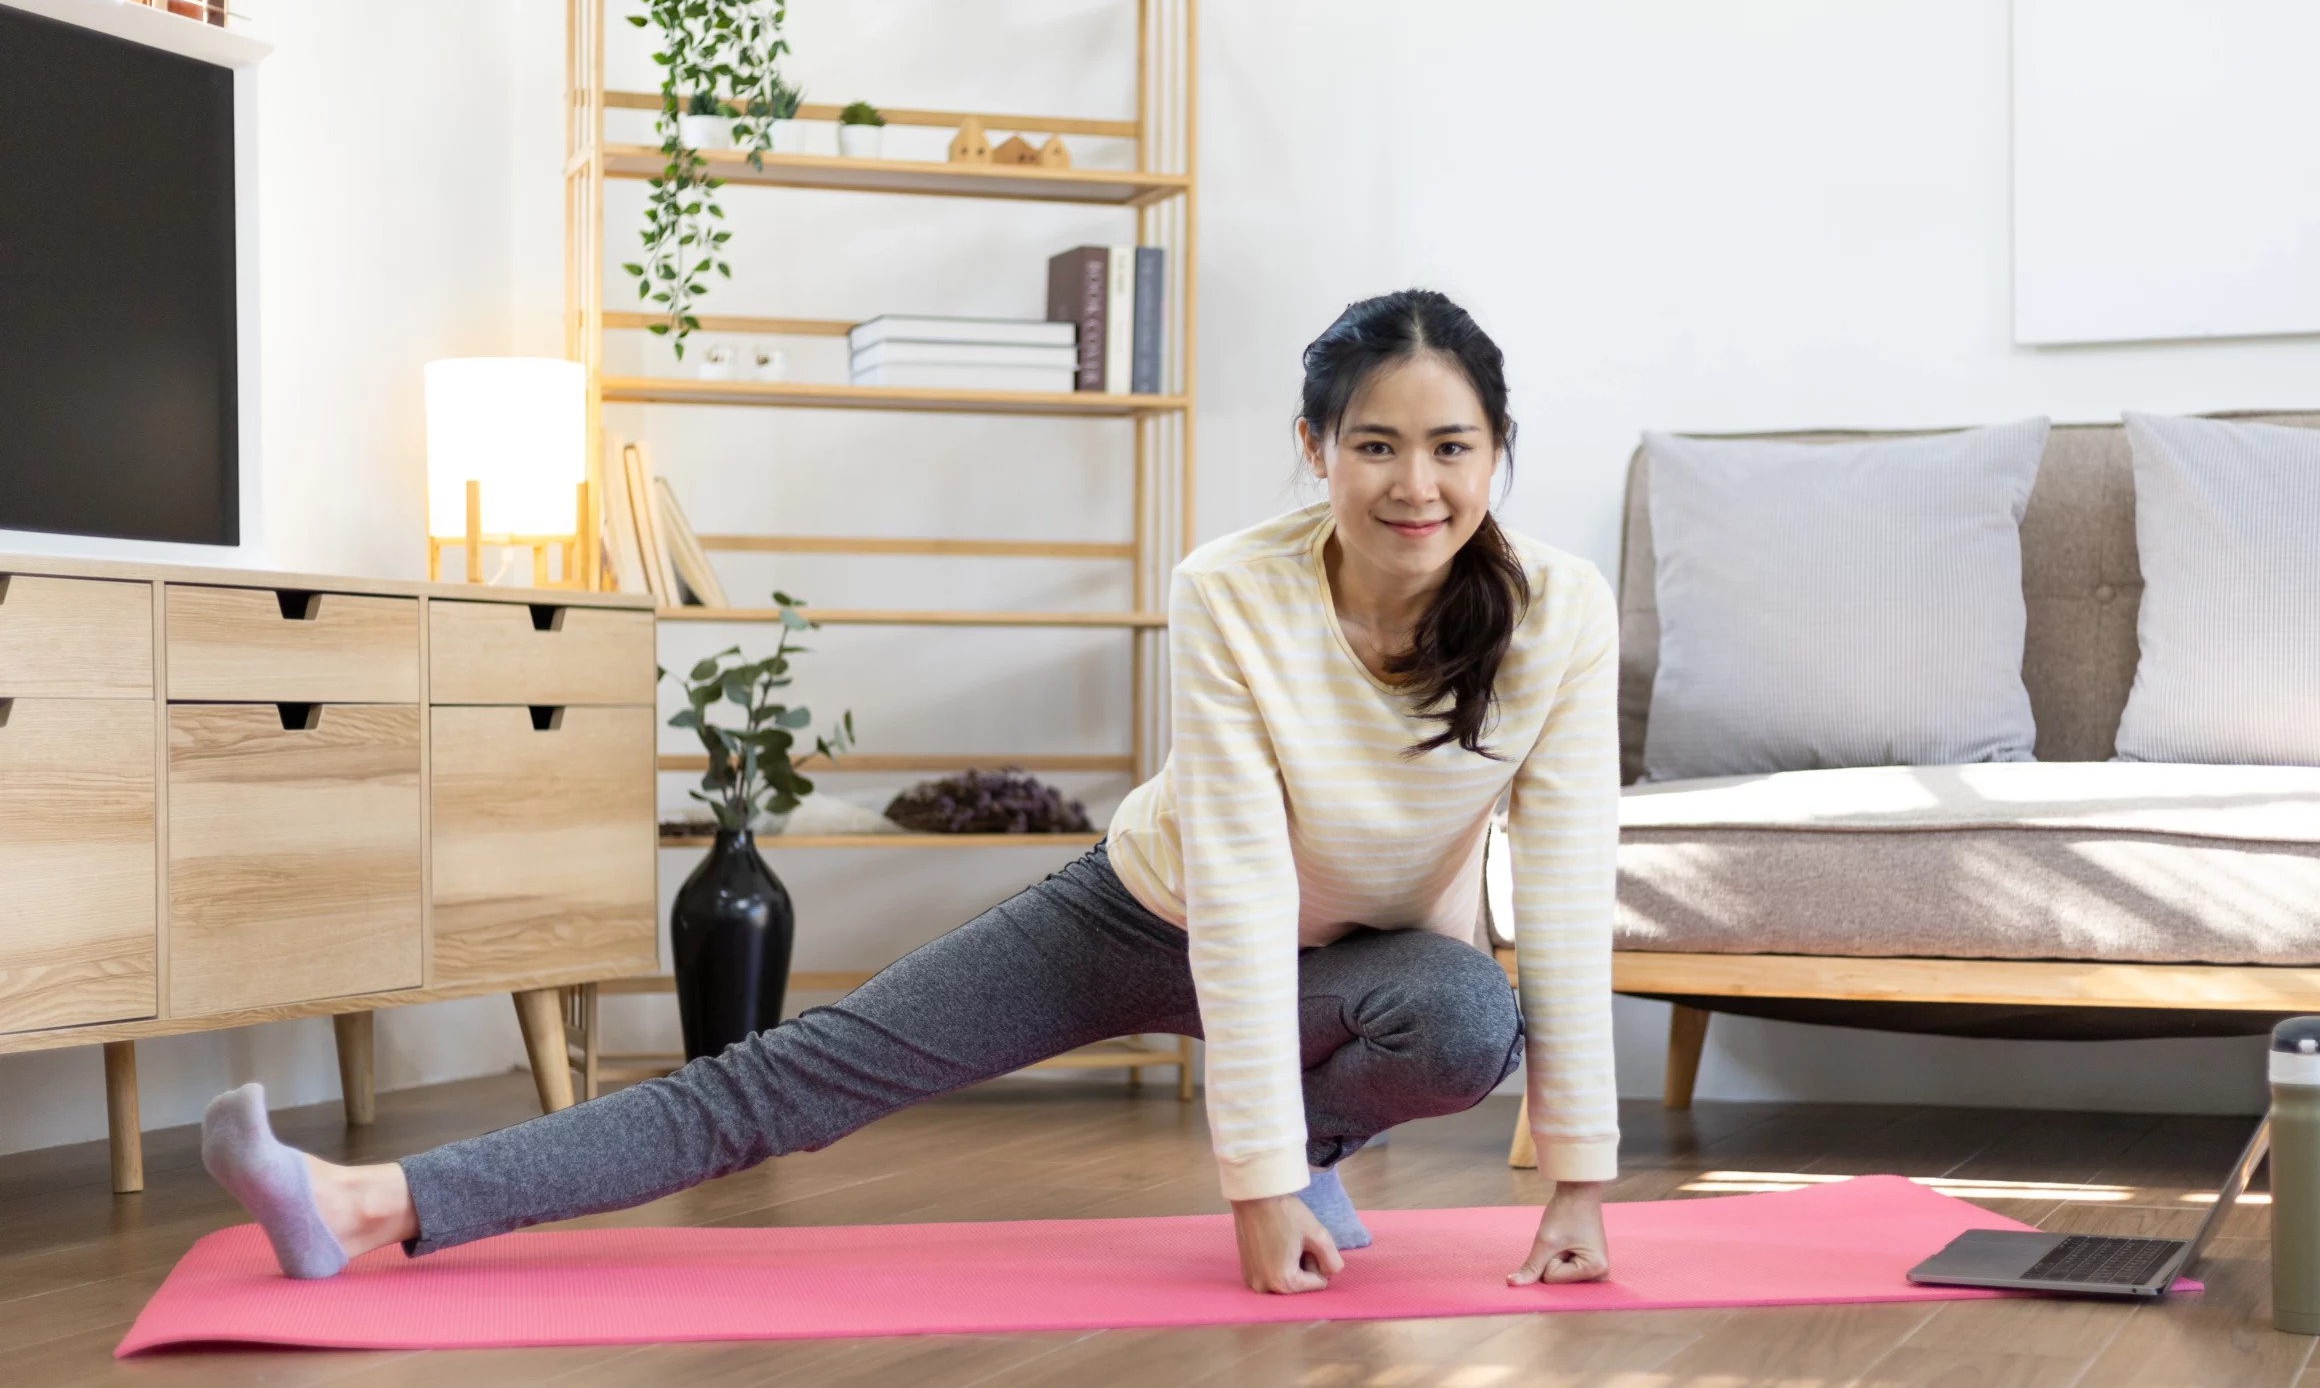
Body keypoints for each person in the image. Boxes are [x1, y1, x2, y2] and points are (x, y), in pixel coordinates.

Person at [200, 288, 1622, 1296]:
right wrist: (1244, 1190)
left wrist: (1578, 1183)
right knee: (788, 1083)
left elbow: (1557, 888)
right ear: (1315, 451)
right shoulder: (1232, 592)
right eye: (1376, 443)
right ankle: (368, 1203)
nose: (1415, 483)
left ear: (1498, 455)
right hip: (1137, 912)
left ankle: (1321, 1145)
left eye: (1453, 447)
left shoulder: (1561, 610)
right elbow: (1240, 891)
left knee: (1465, 1017)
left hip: (1365, 974)